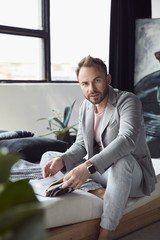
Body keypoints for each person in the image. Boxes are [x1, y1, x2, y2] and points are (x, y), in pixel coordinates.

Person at [40, 56, 156, 240]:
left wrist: (87, 167)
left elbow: (126, 140)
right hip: (100, 172)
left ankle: (106, 233)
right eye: (84, 83)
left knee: (122, 161)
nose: (91, 89)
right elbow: (80, 144)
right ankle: (96, 191)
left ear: (108, 79)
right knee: (49, 156)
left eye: (97, 80)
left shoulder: (128, 101)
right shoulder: (86, 106)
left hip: (130, 173)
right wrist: (62, 160)